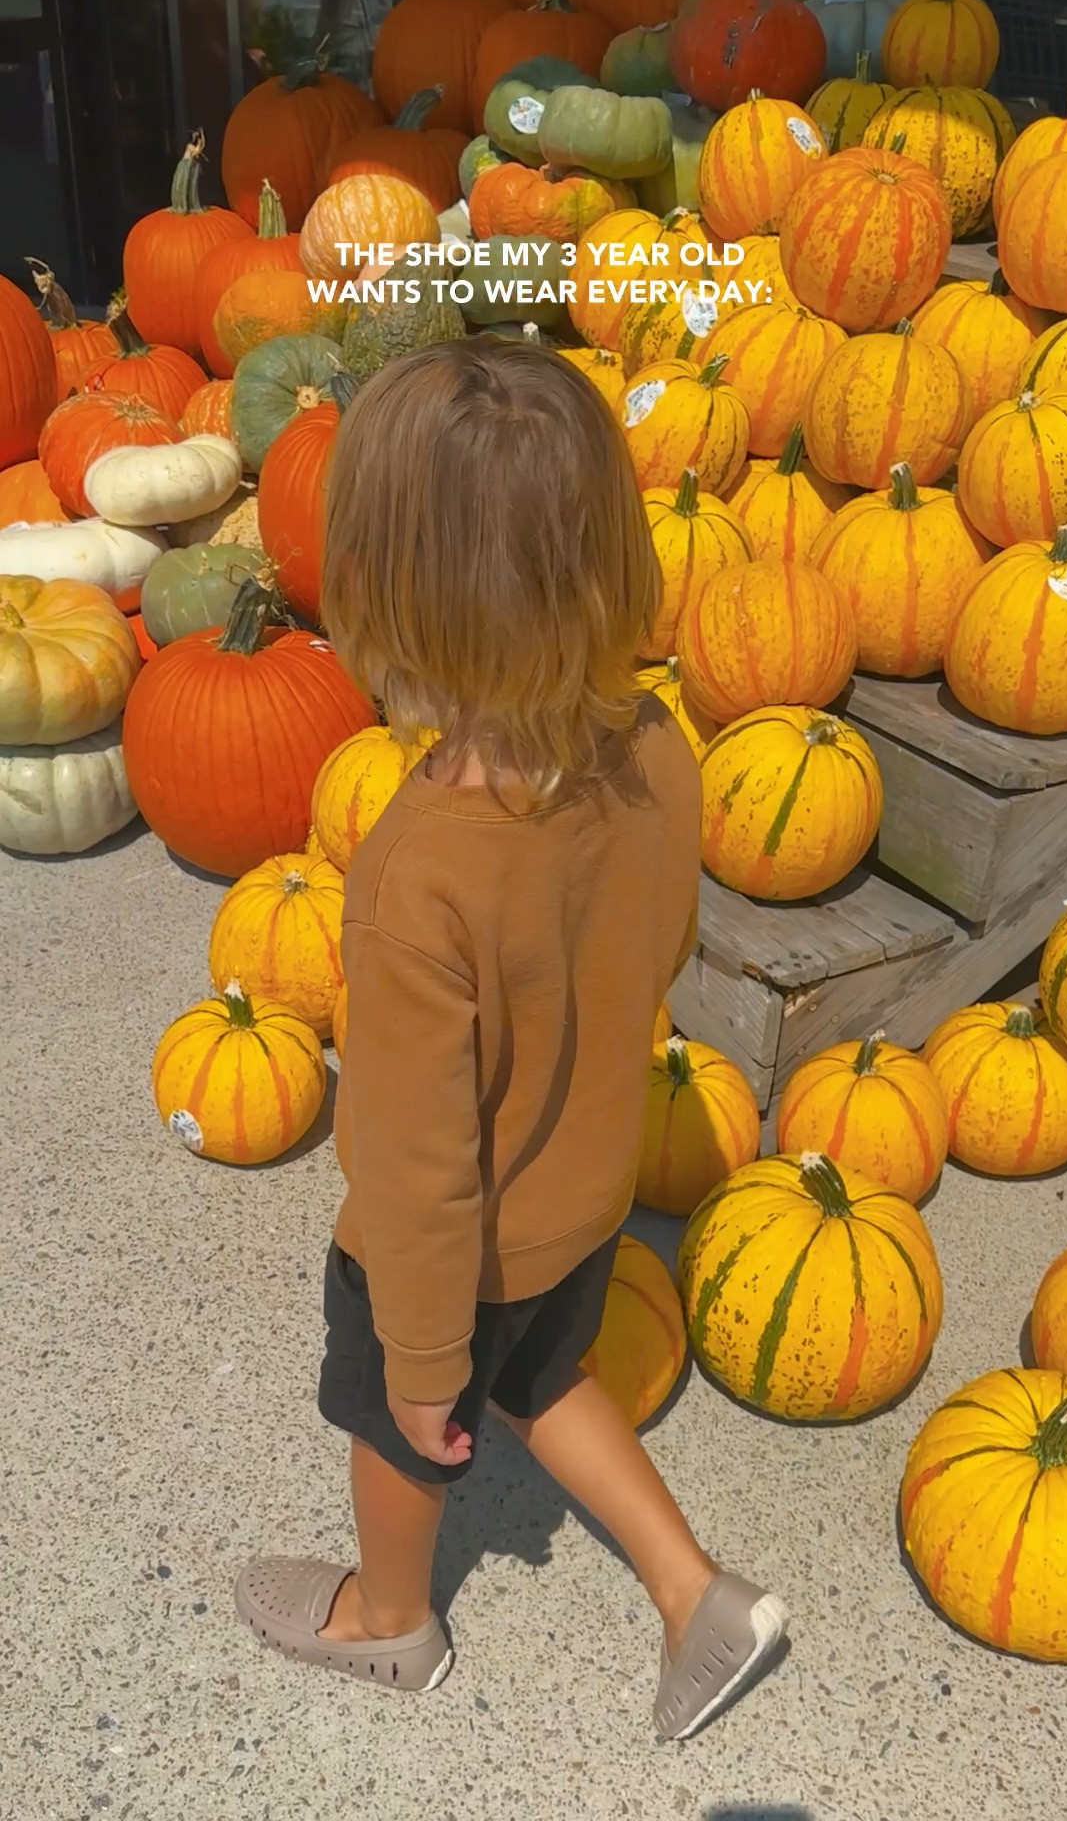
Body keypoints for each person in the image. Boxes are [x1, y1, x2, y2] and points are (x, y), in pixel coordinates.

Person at [234, 339, 787, 1740]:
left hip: (454, 1261)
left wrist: (419, 1368)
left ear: (383, 592)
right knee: (549, 1379)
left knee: (398, 1432)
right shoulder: (657, 743)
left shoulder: (419, 871)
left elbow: (417, 1166)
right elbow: (652, 940)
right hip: (588, 1193)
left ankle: (391, 1622)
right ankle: (695, 1595)